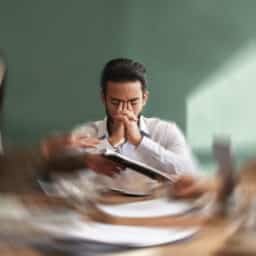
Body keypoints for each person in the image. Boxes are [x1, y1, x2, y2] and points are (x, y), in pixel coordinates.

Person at [69, 58, 198, 192]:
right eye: (115, 102)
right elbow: (70, 181)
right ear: (103, 98)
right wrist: (112, 142)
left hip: (154, 207)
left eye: (133, 102)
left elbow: (189, 171)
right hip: (104, 208)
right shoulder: (87, 132)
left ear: (144, 98)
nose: (124, 110)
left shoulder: (164, 130)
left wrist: (140, 141)